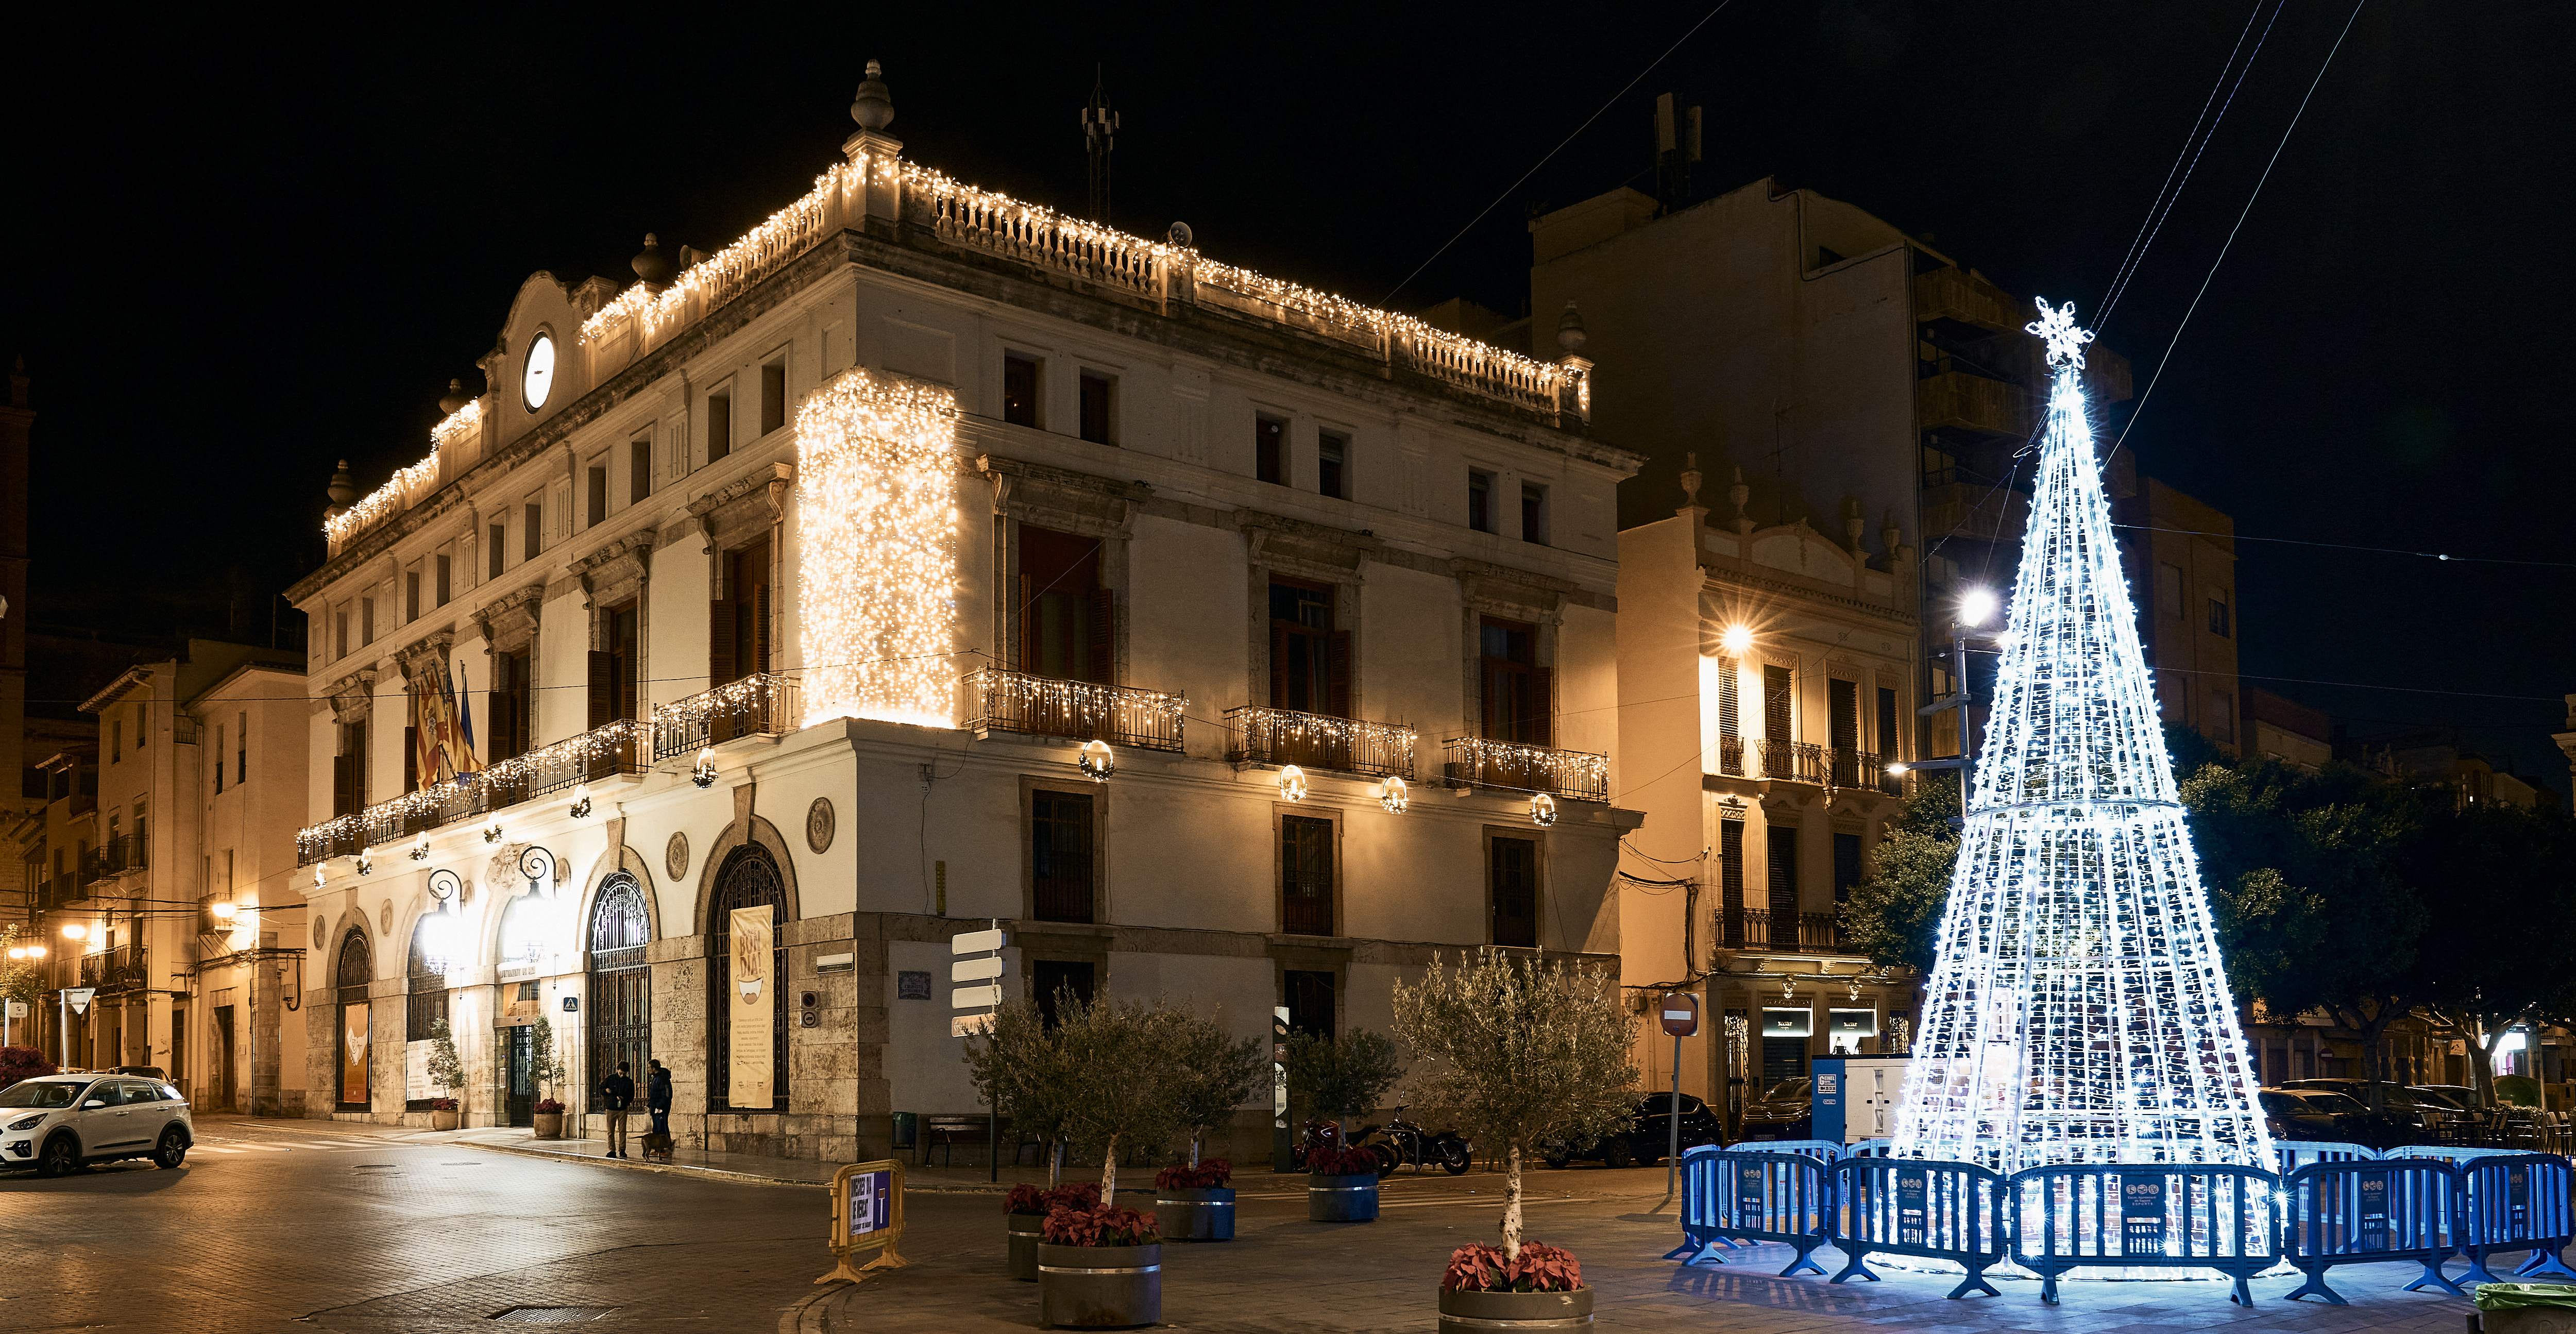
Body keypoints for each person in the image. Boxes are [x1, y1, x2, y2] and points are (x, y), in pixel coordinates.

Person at [598, 1061, 636, 1158]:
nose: (622, 1075)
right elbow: (601, 1088)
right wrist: (606, 1091)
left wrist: (625, 1100)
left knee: (622, 1131)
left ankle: (622, 1150)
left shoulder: (629, 1082)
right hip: (611, 1108)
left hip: (622, 1109)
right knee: (611, 1131)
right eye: (620, 1073)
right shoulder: (610, 1079)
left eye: (624, 1074)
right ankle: (612, 1150)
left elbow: (631, 1095)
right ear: (617, 1070)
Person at [646, 1058, 672, 1139]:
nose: (648, 1070)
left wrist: (659, 1105)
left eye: (649, 1068)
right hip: (656, 1108)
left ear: (654, 1068)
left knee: (662, 1129)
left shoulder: (662, 1078)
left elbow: (667, 1095)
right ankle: (659, 1149)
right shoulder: (655, 1078)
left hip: (661, 1109)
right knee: (656, 1129)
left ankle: (666, 1148)